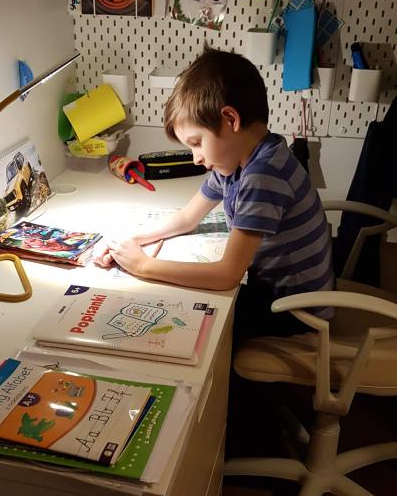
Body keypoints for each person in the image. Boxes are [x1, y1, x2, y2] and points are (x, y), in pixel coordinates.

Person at [95, 46, 334, 341]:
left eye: (197, 142)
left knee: (186, 325)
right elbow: (187, 218)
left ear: (230, 120)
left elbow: (226, 275)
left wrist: (142, 265)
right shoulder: (236, 162)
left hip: (294, 310)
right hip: (279, 291)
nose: (196, 157)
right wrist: (129, 241)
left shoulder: (263, 175)